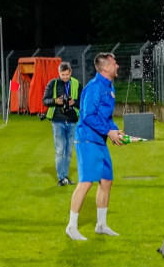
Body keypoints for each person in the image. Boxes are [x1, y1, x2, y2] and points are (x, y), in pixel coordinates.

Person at [65, 52, 124, 241]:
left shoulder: (108, 87)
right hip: (87, 140)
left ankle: (101, 224)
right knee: (86, 182)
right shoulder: (94, 87)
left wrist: (115, 131)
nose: (117, 66)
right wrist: (109, 132)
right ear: (106, 68)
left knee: (106, 181)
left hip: (99, 141)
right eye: (115, 64)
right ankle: (71, 226)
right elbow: (88, 115)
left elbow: (105, 117)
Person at [42, 61, 80, 186]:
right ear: (59, 73)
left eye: (67, 74)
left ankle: (65, 176)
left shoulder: (76, 84)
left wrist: (74, 102)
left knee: (68, 151)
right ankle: (61, 178)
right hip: (58, 121)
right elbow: (45, 101)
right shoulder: (53, 84)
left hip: (72, 120)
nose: (65, 77)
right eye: (62, 74)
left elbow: (83, 102)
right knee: (60, 150)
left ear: (71, 73)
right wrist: (56, 101)